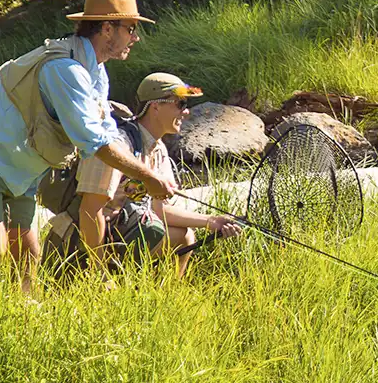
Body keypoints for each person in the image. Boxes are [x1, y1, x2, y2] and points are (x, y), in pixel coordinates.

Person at [0, 0, 176, 292]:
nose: (136, 37)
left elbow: (105, 134)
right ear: (107, 29)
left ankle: (23, 322)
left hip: (21, 170)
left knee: (28, 258)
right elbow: (95, 143)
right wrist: (147, 175)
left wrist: (132, 179)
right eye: (130, 29)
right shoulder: (66, 70)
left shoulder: (96, 72)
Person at [50, 72, 240, 276]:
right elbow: (89, 211)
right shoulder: (116, 147)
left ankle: (164, 297)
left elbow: (160, 210)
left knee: (185, 236)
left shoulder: (158, 150)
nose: (186, 112)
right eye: (180, 104)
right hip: (76, 246)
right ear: (155, 106)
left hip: (116, 235)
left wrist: (211, 221)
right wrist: (99, 272)